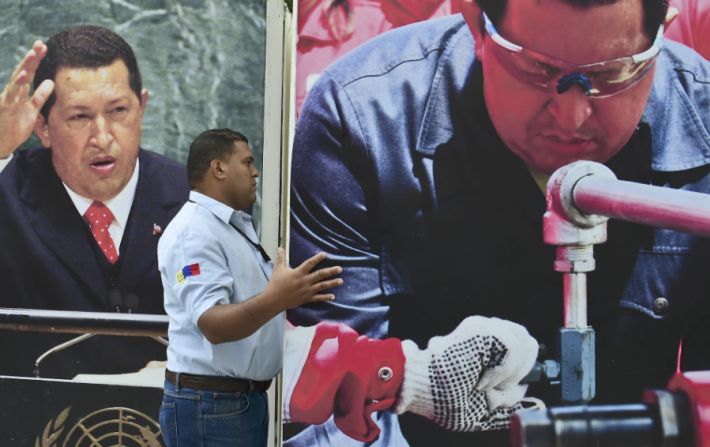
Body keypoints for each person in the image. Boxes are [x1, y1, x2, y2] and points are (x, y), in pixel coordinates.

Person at [287, 0, 710, 445]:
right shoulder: (363, 119)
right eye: (536, 69)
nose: (572, 117)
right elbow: (342, 414)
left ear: (662, 31)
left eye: (611, 75)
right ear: (476, 21)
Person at [0, 26, 190, 378]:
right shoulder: (7, 190)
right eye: (80, 117)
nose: (102, 137)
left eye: (118, 111)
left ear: (142, 107)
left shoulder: (191, 197)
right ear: (43, 127)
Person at [157, 128, 344, 446]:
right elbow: (212, 323)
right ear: (218, 169)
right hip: (212, 407)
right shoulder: (193, 233)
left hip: (236, 403)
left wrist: (291, 291)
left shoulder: (225, 227)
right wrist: (278, 297)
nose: (255, 172)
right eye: (247, 162)